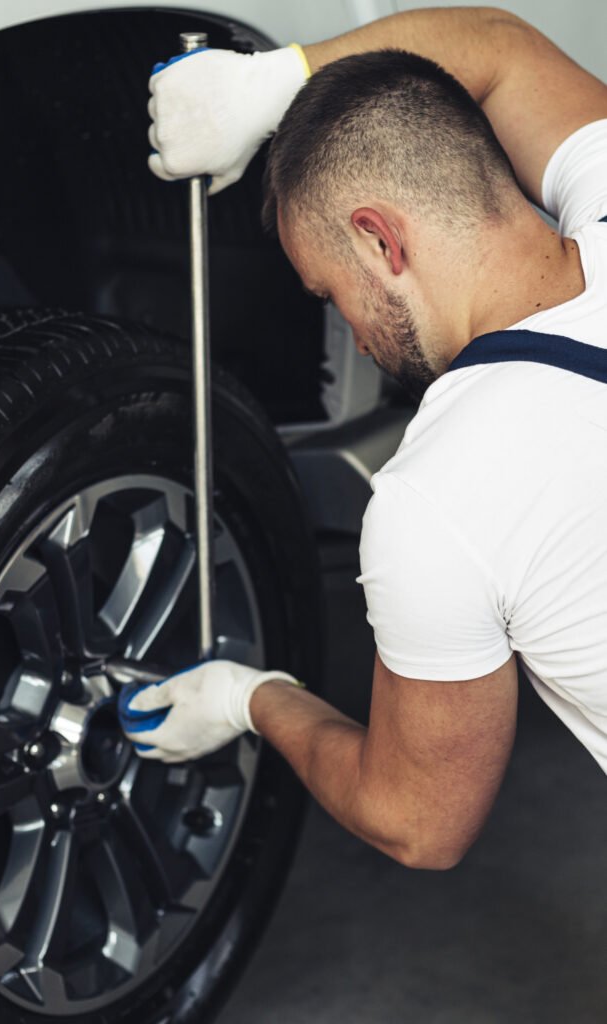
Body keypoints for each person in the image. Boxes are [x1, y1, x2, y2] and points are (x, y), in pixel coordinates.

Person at [119, 7, 607, 870]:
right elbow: (498, 48)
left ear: (379, 240)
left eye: (327, 292)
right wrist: (278, 79)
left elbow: (416, 824)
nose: (348, 326)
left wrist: (252, 699)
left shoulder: (438, 500)